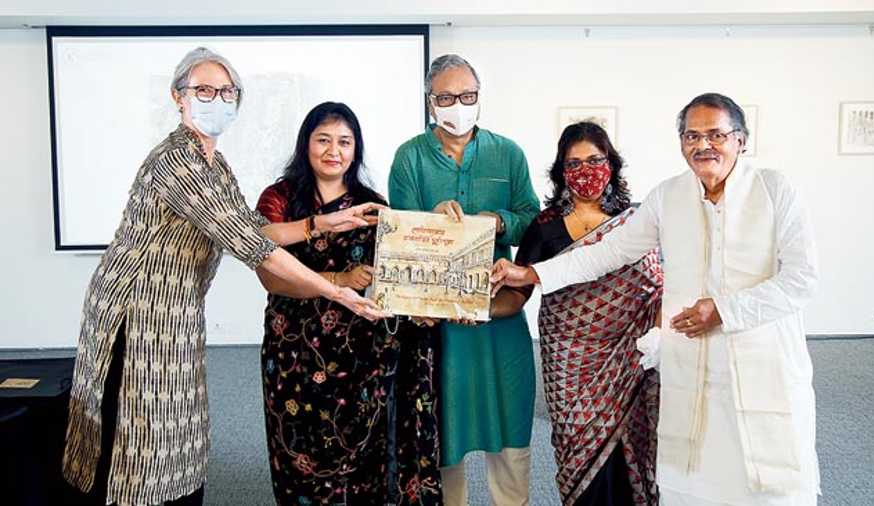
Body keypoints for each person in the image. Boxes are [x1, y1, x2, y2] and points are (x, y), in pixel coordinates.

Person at [62, 48, 385, 506]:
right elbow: (255, 248)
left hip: (177, 311)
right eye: (204, 90)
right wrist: (339, 290)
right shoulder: (179, 162)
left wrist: (323, 223)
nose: (217, 99)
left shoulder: (215, 163)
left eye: (227, 91)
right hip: (136, 314)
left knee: (177, 432)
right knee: (135, 439)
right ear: (178, 96)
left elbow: (255, 228)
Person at [492, 93, 820, 506]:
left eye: (716, 134)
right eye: (692, 136)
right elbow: (608, 252)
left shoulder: (774, 190)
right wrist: (533, 272)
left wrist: (724, 311)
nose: (703, 145)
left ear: (741, 139)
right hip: (692, 365)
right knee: (694, 483)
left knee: (765, 485)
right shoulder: (670, 197)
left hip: (759, 366)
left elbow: (802, 280)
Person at [255, 102, 442, 505]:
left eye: (344, 141)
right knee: (298, 450)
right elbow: (268, 270)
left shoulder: (373, 206)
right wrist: (338, 281)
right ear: (306, 144)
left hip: (363, 359)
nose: (333, 151)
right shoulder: (280, 198)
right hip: (297, 356)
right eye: (323, 140)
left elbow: (399, 273)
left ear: (356, 149)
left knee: (367, 463)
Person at [389, 53, 540, 506]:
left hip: (499, 310)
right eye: (447, 97)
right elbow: (398, 233)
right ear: (430, 102)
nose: (459, 105)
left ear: (480, 96)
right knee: (444, 426)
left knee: (511, 419)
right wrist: (428, 220)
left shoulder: (507, 153)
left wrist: (499, 221)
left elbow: (531, 218)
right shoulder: (410, 157)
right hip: (438, 322)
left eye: (468, 96)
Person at [507, 122, 662, 506]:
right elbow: (518, 293)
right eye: (573, 163)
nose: (585, 170)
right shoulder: (544, 227)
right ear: (561, 171)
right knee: (577, 448)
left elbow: (661, 284)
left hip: (631, 354)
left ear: (611, 163)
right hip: (569, 358)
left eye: (595, 160)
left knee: (636, 446)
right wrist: (472, 307)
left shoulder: (636, 222)